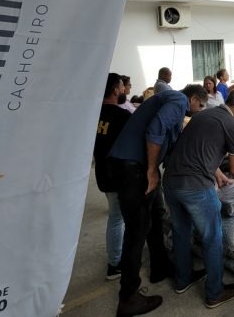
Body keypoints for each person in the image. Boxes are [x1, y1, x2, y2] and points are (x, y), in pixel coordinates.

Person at [107, 84, 209, 316]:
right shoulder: (177, 100)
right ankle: (128, 297)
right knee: (137, 229)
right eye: (200, 106)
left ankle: (159, 267)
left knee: (155, 215)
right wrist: (152, 171)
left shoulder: (175, 108)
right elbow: (155, 130)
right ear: (193, 98)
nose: (198, 111)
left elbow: (172, 147)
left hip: (134, 167)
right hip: (132, 168)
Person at [163, 88, 234, 309]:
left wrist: (217, 173)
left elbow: (197, 150)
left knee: (181, 231)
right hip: (196, 187)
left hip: (170, 182)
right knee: (212, 238)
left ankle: (182, 279)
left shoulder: (202, 115)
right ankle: (215, 293)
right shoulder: (233, 127)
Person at [93, 73, 131, 281]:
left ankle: (116, 257)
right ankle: (115, 263)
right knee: (118, 218)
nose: (124, 89)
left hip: (102, 173)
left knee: (116, 217)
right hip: (119, 174)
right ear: (116, 89)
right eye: (122, 86)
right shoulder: (121, 116)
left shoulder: (93, 114)